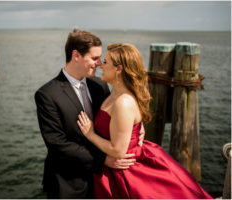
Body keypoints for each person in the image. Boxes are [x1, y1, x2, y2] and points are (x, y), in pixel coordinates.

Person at [77, 43, 213, 199]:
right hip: (114, 166)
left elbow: (118, 151)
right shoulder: (113, 93)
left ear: (119, 69)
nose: (101, 64)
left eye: (106, 61)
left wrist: (90, 134)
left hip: (127, 171)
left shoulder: (123, 102)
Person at [34, 30, 145, 198]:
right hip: (68, 182)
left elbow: (118, 115)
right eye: (94, 58)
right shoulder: (47, 94)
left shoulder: (99, 85)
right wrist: (102, 160)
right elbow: (58, 144)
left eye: (101, 58)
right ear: (76, 55)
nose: (99, 63)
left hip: (103, 180)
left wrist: (137, 124)